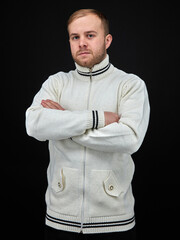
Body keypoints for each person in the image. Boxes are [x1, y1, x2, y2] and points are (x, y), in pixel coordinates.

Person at [25, 9, 150, 240]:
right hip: (59, 219)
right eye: (75, 37)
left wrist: (65, 126)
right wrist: (98, 118)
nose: (82, 43)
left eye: (90, 35)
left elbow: (130, 138)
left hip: (115, 222)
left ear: (107, 40)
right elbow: (33, 124)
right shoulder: (57, 83)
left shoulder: (130, 85)